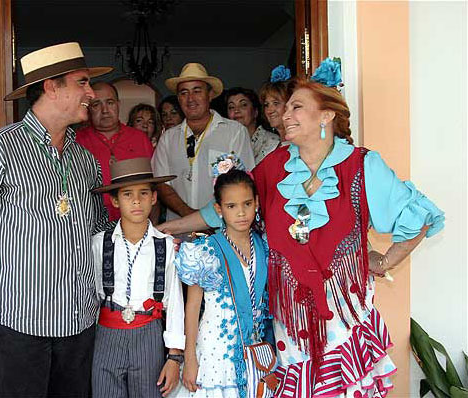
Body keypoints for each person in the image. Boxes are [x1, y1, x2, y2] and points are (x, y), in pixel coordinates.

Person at [160, 58, 445, 397]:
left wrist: (384, 261)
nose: (285, 115)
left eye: (297, 107)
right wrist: (166, 228)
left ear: (326, 116)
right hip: (288, 320)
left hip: (343, 319)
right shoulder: (273, 167)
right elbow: (219, 209)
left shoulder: (362, 165)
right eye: (286, 107)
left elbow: (420, 215)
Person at [0, 42, 115, 397]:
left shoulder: (85, 159)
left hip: (80, 322)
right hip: (19, 323)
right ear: (52, 87)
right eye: (82, 82)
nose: (92, 93)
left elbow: (100, 231)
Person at [171, 167, 270, 398]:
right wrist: (190, 358)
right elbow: (192, 308)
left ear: (256, 202)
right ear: (219, 209)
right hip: (214, 352)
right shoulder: (205, 250)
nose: (241, 213)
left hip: (254, 351)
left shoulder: (263, 245)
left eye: (247, 203)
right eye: (231, 206)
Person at [90, 157, 185, 398]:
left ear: (154, 198)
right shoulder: (99, 243)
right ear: (114, 200)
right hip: (107, 334)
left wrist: (174, 356)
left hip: (148, 334)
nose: (136, 201)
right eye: (127, 194)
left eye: (144, 194)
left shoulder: (165, 246)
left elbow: (175, 303)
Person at [152, 62, 255, 223]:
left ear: (210, 94)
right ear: (178, 98)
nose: (190, 99)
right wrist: (191, 217)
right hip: (179, 233)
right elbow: (162, 183)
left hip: (223, 229)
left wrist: (209, 219)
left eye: (197, 91)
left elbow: (243, 182)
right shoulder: (168, 138)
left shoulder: (234, 132)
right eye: (184, 93)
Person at [76, 82, 154, 221]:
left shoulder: (139, 138)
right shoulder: (77, 141)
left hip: (136, 221)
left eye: (110, 103)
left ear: (118, 104)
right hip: (91, 221)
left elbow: (154, 185)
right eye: (96, 105)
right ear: (88, 108)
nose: (104, 110)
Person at [225, 87, 280, 164]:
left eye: (243, 105)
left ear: (255, 112)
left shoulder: (272, 142)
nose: (236, 110)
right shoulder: (225, 142)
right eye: (231, 107)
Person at [258, 65, 293, 145]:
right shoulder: (271, 146)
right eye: (266, 105)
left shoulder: (300, 147)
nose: (270, 110)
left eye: (276, 103)